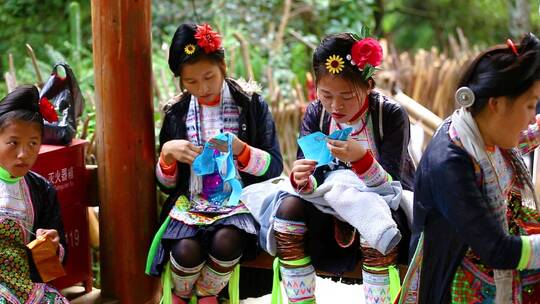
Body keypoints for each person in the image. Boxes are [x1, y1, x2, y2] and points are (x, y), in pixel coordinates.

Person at [245, 31, 415, 304]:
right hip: (328, 199)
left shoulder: (390, 115)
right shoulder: (316, 113)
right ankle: (302, 300)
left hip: (384, 200)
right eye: (326, 95)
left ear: (368, 84)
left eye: (347, 96)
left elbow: (392, 184)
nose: (336, 106)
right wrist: (302, 178)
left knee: (376, 218)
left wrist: (361, 159)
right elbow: (310, 173)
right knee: (287, 210)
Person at [145, 23, 283, 304]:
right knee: (184, 251)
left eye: (209, 76)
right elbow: (165, 185)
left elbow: (275, 166)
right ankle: (182, 296)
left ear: (223, 65)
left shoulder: (251, 104)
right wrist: (168, 155)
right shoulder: (176, 113)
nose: (203, 88)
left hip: (240, 204)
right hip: (191, 205)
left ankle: (208, 294)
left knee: (226, 241)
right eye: (191, 82)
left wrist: (243, 151)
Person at [398, 33, 540, 303]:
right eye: (530, 105)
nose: (531, 116)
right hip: (457, 281)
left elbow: (523, 135)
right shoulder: (450, 164)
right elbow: (497, 250)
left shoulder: (479, 132)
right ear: (496, 104)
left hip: (484, 252)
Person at [0, 85, 68, 303]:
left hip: (27, 285)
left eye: (33, 144)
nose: (24, 154)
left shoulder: (42, 189)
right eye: (13, 143)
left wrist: (52, 245)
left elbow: (52, 267)